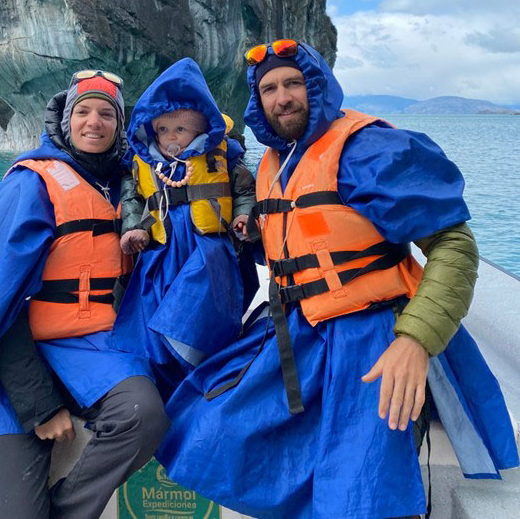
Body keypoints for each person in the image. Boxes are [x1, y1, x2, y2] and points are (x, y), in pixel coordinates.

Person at [156, 41, 519, 519]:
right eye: (269, 89)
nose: (282, 97)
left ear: (317, 85)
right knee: (202, 427)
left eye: (292, 83)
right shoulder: (272, 165)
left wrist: (415, 341)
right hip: (299, 331)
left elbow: (455, 248)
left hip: (373, 335)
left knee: (362, 490)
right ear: (257, 101)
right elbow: (298, 249)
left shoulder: (367, 148)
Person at [0, 70, 169, 519]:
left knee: (143, 413)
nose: (93, 122)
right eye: (83, 112)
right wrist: (39, 406)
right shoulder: (29, 185)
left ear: (120, 125)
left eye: (106, 114)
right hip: (14, 357)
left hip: (92, 348)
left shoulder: (132, 185)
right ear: (65, 120)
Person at [109, 57, 257, 398]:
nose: (170, 137)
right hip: (161, 254)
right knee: (154, 312)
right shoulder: (142, 162)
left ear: (200, 128)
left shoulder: (224, 155)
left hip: (208, 251)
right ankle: (162, 376)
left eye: (180, 129)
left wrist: (244, 217)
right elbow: (132, 200)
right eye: (162, 129)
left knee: (196, 309)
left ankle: (198, 372)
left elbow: (244, 191)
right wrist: (134, 229)